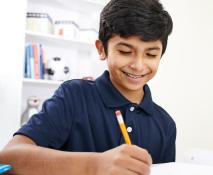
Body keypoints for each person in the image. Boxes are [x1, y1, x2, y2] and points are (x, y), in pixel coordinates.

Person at [0, 0, 175, 174]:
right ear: (101, 49)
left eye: (151, 54)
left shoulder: (165, 124)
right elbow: (7, 158)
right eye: (125, 52)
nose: (138, 65)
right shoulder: (74, 96)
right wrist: (94, 165)